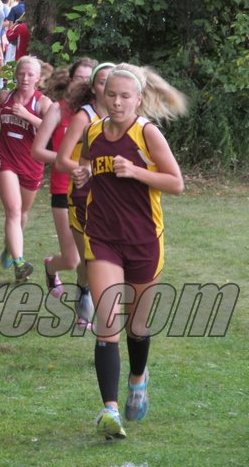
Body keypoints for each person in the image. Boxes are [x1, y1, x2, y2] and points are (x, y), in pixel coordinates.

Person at [73, 63, 187, 440]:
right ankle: (110, 411)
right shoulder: (92, 131)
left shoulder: (147, 133)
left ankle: (138, 379)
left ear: (138, 99)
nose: (117, 102)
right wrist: (84, 174)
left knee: (137, 325)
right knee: (107, 324)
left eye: (125, 96)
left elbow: (176, 183)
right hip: (102, 237)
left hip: (143, 240)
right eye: (111, 95)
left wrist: (136, 171)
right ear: (102, 96)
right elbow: (87, 165)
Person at [56, 59, 111, 324]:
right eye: (103, 83)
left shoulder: (124, 117)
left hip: (114, 197)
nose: (108, 88)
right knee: (90, 259)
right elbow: (61, 160)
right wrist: (83, 168)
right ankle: (84, 288)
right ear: (93, 88)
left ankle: (97, 298)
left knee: (107, 257)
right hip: (82, 195)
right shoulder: (84, 117)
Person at [0, 56, 53, 282]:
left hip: (31, 163)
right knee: (14, 211)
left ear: (38, 78)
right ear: (15, 75)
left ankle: (11, 246)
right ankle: (19, 262)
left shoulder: (43, 103)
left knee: (22, 213)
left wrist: (28, 116)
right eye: (21, 73)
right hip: (6, 159)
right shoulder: (5, 96)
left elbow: (52, 129)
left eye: (30, 74)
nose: (25, 78)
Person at [29, 67, 80, 300]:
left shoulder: (101, 111)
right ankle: (51, 266)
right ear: (70, 81)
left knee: (94, 255)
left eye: (88, 79)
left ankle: (85, 307)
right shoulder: (59, 109)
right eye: (79, 78)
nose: (83, 83)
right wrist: (67, 161)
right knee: (71, 260)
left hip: (96, 190)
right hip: (64, 189)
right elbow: (37, 151)